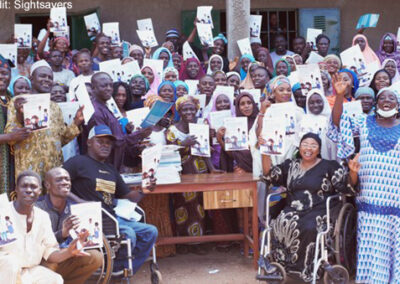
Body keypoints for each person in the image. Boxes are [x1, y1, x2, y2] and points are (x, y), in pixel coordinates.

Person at [329, 77, 400, 283]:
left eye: (391, 98)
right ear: (376, 103)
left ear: (398, 104)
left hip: (396, 199)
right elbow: (338, 122)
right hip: (370, 198)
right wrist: (340, 96)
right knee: (372, 246)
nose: (386, 100)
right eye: (382, 97)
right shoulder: (363, 122)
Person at [261, 133, 356, 282]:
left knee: (309, 227)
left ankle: (306, 271)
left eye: (313, 145)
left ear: (319, 149)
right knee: (278, 223)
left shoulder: (329, 166)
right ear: (299, 147)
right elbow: (270, 175)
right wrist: (265, 152)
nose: (308, 148)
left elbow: (346, 187)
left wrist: (353, 172)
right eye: (305, 144)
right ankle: (282, 267)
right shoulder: (290, 165)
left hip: (319, 210)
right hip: (292, 209)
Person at [63, 125, 158, 274]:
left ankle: (121, 268)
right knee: (129, 234)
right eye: (100, 141)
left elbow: (129, 196)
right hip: (91, 218)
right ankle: (115, 270)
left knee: (151, 232)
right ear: (89, 142)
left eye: (108, 143)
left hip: (111, 218)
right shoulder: (77, 162)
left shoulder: (110, 169)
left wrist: (144, 189)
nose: (105, 145)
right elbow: (56, 184)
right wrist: (78, 201)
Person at [0, 170, 90, 284]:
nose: (28, 190)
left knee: (55, 280)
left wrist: (69, 252)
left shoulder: (42, 217)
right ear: (16, 189)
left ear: (39, 191)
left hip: (29, 271)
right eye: (24, 186)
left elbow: (50, 252)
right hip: (4, 272)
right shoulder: (2, 212)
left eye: (33, 187)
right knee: (10, 263)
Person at [5, 62, 84, 182]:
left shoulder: (55, 107)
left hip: (53, 170)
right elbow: (11, 137)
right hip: (29, 169)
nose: (47, 80)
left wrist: (76, 123)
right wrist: (20, 114)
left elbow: (60, 140)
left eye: (50, 77)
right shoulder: (18, 101)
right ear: (31, 78)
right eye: (42, 76)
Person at [166, 96, 220, 254]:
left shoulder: (200, 125)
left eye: (191, 109)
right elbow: (169, 152)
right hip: (180, 174)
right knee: (181, 207)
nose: (188, 112)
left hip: (199, 172)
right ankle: (183, 243)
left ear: (196, 110)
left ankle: (198, 242)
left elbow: (205, 151)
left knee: (199, 207)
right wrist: (183, 144)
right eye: (184, 109)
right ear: (179, 111)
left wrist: (212, 169)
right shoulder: (172, 130)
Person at [35, 168, 103, 284]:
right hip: (45, 259)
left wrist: (86, 238)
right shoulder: (37, 208)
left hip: (67, 255)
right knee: (49, 263)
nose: (65, 182)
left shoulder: (76, 209)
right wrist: (62, 234)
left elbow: (85, 239)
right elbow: (37, 243)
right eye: (59, 179)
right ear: (47, 185)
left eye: (67, 179)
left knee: (96, 257)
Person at [82, 72, 151, 171]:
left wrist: (130, 135)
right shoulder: (95, 111)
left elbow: (116, 136)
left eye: (110, 85)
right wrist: (138, 135)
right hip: (102, 169)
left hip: (113, 167)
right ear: (93, 88)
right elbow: (106, 142)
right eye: (104, 86)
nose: (109, 88)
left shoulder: (105, 107)